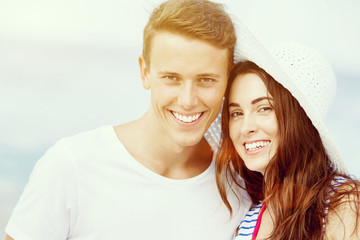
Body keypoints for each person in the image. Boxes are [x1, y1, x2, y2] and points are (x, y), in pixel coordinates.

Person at [4, 1, 251, 240]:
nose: (188, 100)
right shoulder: (71, 166)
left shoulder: (240, 186)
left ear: (228, 80)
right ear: (145, 72)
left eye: (206, 80)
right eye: (171, 78)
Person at [216, 38, 360, 239]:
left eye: (264, 108)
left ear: (299, 118)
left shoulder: (343, 205)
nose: (246, 128)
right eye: (236, 113)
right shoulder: (245, 223)